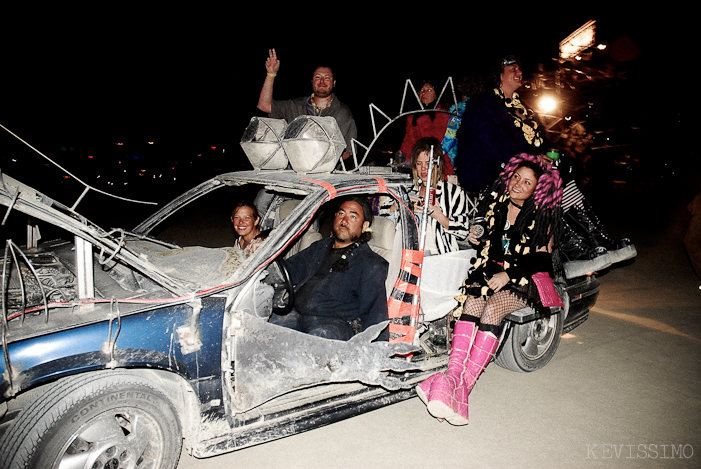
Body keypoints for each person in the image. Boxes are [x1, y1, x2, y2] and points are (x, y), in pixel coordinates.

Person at [416, 153, 563, 425]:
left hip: (524, 277)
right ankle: (452, 383)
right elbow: (485, 240)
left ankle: (462, 388)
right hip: (492, 270)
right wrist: (476, 235)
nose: (517, 184)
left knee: (493, 307)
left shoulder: (543, 215)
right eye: (516, 177)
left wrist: (508, 275)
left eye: (526, 182)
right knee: (472, 303)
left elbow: (541, 258)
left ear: (537, 189)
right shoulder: (496, 204)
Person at [269, 196, 389, 341]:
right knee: (263, 333)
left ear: (364, 226)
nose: (344, 221)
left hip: (333, 324)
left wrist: (377, 354)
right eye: (341, 213)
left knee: (313, 344)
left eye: (353, 216)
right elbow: (288, 270)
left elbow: (375, 313)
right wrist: (265, 259)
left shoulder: (371, 263)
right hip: (294, 313)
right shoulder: (320, 247)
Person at [257, 48, 357, 161]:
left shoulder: (342, 112)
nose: (322, 81)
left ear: (334, 83)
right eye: (317, 77)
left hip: (325, 175)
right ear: (312, 82)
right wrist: (271, 74)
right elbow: (264, 106)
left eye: (327, 78)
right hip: (293, 172)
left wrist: (318, 164)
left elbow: (347, 152)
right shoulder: (294, 106)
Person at [382, 137, 468, 254]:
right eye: (419, 163)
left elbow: (463, 231)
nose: (423, 168)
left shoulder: (454, 192)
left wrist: (439, 216)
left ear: (438, 164)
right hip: (408, 256)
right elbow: (383, 216)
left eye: (428, 163)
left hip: (439, 258)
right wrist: (397, 205)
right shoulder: (407, 190)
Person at [398, 81, 453, 177]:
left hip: (438, 165)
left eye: (428, 90)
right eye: (421, 90)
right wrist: (401, 158)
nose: (423, 93)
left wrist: (423, 117)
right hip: (419, 165)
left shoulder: (443, 114)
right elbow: (409, 141)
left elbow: (434, 140)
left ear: (437, 94)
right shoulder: (413, 116)